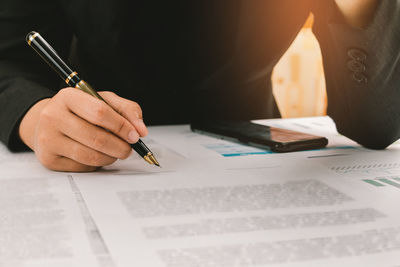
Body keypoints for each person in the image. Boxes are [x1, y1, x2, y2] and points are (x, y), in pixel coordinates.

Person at [0, 0, 395, 172]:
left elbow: (373, 124)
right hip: (94, 132)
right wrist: (35, 117)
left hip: (254, 148)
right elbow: (9, 56)